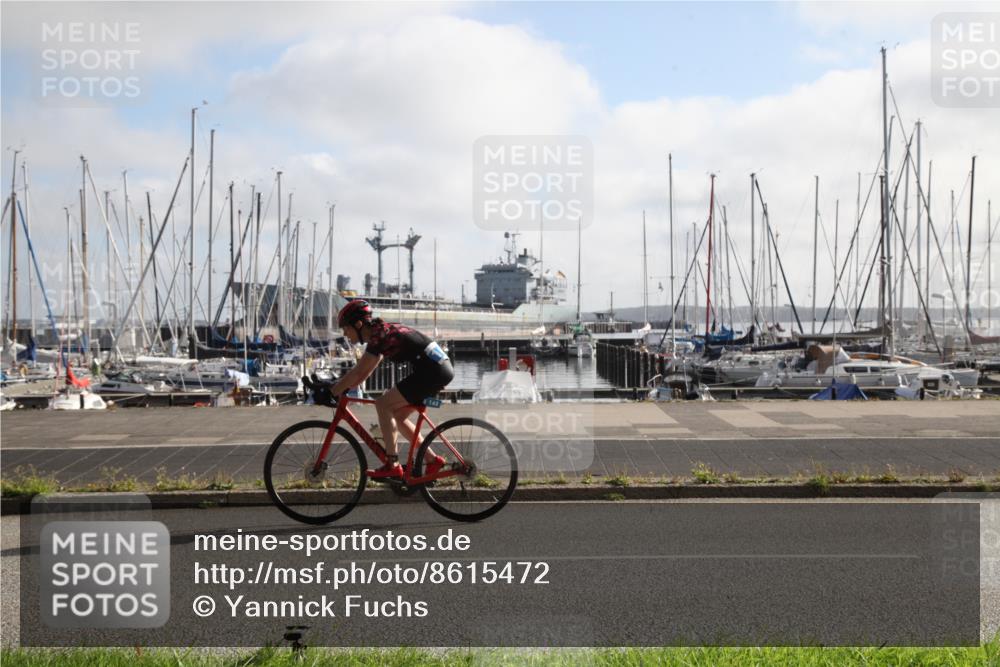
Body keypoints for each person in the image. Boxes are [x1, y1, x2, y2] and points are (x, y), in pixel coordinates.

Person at [327, 299, 454, 479]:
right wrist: (342, 387)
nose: (345, 334)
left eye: (346, 328)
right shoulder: (380, 333)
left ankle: (392, 464)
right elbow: (362, 374)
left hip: (432, 371)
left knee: (383, 404)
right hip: (436, 368)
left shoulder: (379, 336)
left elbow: (358, 373)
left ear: (358, 324)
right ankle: (432, 461)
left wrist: (332, 391)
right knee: (397, 416)